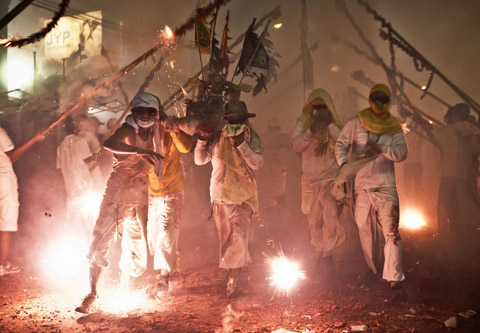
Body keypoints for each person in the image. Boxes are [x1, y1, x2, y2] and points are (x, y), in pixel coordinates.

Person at [75, 92, 162, 313]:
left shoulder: (157, 131)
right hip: (117, 196)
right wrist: (140, 151)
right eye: (140, 111)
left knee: (136, 249)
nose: (144, 115)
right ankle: (92, 294)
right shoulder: (127, 130)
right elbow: (110, 143)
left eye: (149, 111)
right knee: (99, 243)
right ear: (133, 112)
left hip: (140, 198)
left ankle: (125, 289)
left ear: (155, 113)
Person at [335, 84, 408, 299]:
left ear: (388, 102)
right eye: (375, 99)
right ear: (370, 100)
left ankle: (394, 280)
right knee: (364, 230)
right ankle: (374, 270)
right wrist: (344, 166)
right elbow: (340, 144)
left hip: (385, 185)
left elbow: (402, 153)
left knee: (391, 232)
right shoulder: (356, 122)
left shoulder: (393, 126)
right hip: (362, 186)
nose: (378, 103)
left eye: (382, 99)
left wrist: (383, 149)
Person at [194, 100, 263, 297]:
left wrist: (241, 144)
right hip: (220, 195)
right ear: (225, 120)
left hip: (244, 196)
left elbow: (257, 163)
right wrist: (202, 139)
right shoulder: (217, 138)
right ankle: (233, 271)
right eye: (230, 119)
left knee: (239, 237)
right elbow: (200, 160)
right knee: (226, 240)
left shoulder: (251, 137)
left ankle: (235, 277)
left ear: (244, 119)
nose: (234, 123)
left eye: (238, 119)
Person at [291, 89, 346, 279]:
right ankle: (321, 254)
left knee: (330, 218)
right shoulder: (303, 122)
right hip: (309, 181)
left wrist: (329, 125)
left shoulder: (337, 121)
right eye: (316, 107)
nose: (320, 111)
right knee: (314, 222)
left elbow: (344, 142)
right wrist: (311, 130)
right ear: (310, 108)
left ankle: (327, 258)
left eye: (323, 107)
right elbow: (295, 146)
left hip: (331, 179)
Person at [146, 110, 195, 292]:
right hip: (151, 192)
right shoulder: (143, 133)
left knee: (167, 233)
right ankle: (161, 270)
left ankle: (164, 277)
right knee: (154, 234)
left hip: (172, 192)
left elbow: (185, 148)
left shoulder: (170, 131)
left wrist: (173, 131)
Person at [428, 103, 480, 260]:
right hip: (463, 178)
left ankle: (444, 238)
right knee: (458, 208)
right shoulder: (471, 133)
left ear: (456, 114)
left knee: (444, 206)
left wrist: (417, 120)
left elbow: (433, 132)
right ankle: (459, 239)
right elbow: (475, 153)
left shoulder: (450, 130)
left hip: (449, 177)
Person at [0, 127, 44, 276]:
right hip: (4, 181)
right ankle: (2, 264)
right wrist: (34, 139)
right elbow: (12, 156)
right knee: (6, 222)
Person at [57, 116, 103, 232]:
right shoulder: (80, 141)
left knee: (72, 218)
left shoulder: (61, 146)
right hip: (84, 184)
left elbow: (59, 168)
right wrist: (96, 156)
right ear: (77, 127)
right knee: (87, 219)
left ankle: (71, 238)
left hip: (70, 186)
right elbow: (87, 160)